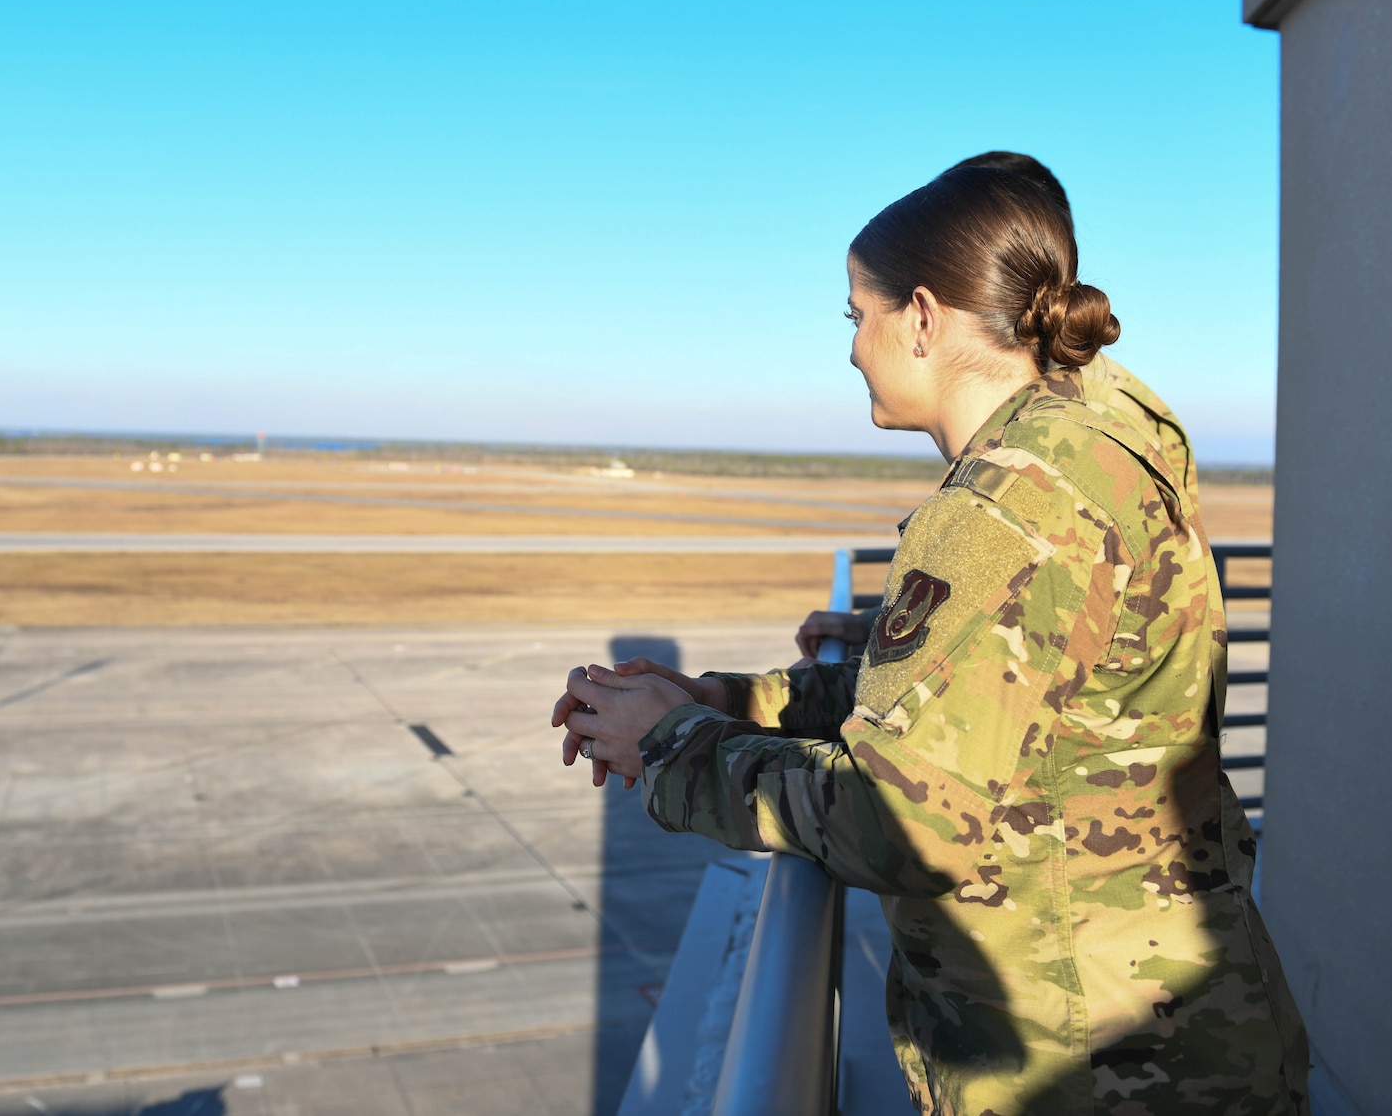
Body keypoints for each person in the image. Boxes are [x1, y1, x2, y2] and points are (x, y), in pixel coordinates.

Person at [552, 155, 1309, 1115]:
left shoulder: (1004, 510)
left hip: (1093, 1069)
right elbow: (1003, 690)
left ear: (921, 317)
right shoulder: (1100, 428)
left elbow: (903, 825)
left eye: (854, 316)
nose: (851, 348)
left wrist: (672, 747)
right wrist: (734, 701)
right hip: (1188, 1026)